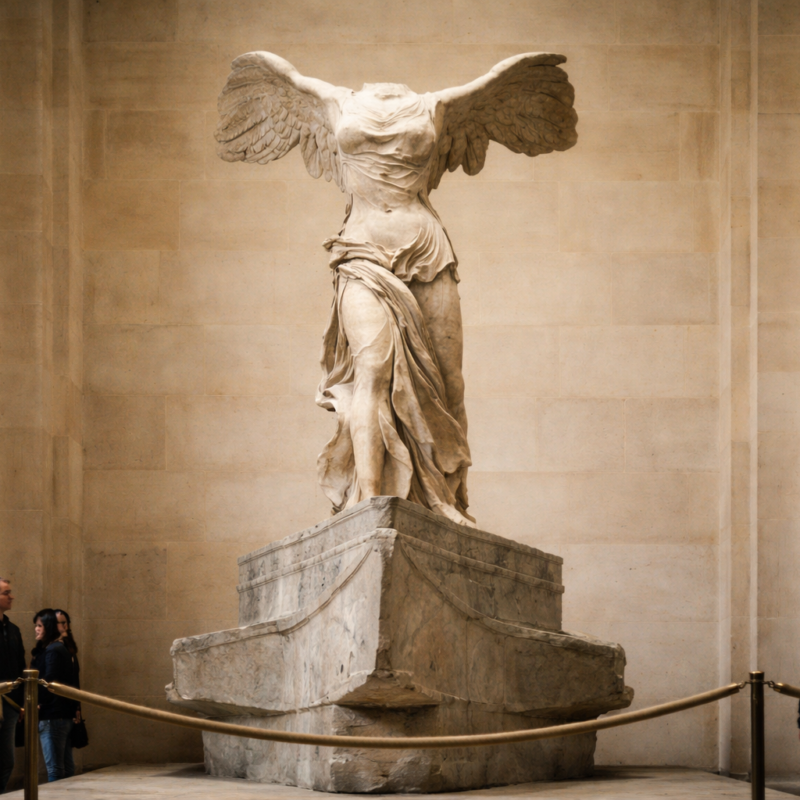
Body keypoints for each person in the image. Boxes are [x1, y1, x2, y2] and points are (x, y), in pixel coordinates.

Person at [215, 51, 577, 527]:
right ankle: (367, 504)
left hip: (426, 249)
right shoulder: (329, 100)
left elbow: (504, 92)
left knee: (449, 382)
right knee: (372, 370)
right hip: (362, 251)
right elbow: (282, 81)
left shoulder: (439, 106)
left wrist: (503, 77)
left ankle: (452, 498)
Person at [31, 609, 77, 782]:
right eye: (35, 625)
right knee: (66, 766)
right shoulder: (59, 648)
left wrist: (38, 702)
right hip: (62, 715)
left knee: (55, 769)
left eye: (39, 626)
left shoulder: (53, 650)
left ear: (49, 627)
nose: (36, 629)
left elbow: (48, 681)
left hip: (52, 715)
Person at [0, 579, 25, 794]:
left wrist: (22, 703)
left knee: (7, 761)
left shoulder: (14, 630)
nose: (11, 596)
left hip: (8, 704)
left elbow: (20, 668)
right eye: (6, 593)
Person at [54, 610, 81, 725]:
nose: (63, 626)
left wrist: (77, 707)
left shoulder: (70, 647)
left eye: (65, 622)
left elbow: (74, 679)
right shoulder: (51, 647)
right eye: (59, 623)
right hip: (55, 709)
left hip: (69, 706)